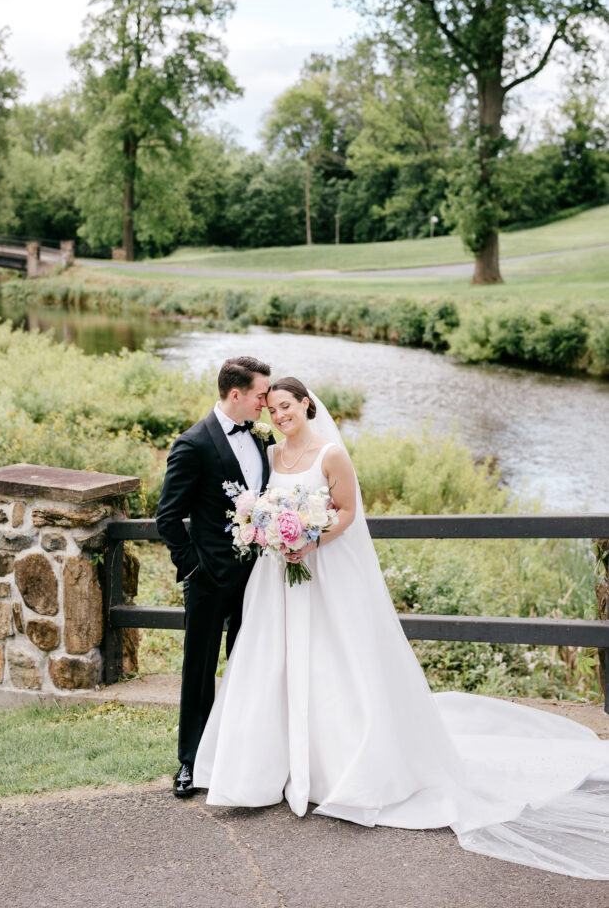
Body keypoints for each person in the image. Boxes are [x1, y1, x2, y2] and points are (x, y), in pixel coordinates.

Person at [193, 376, 609, 879]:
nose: (279, 415)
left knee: (335, 665)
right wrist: (268, 531)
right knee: (268, 665)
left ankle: (340, 771)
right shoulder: (271, 456)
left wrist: (310, 540)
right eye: (272, 409)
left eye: (287, 406)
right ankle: (262, 770)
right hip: (277, 578)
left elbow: (346, 512)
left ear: (306, 405)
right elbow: (260, 507)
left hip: (322, 572)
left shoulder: (332, 456)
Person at [156, 356, 273, 797]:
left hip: (260, 578)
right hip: (209, 581)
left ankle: (245, 757)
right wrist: (194, 567)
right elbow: (168, 518)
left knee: (250, 665)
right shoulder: (193, 444)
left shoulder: (263, 437)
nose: (267, 402)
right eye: (261, 394)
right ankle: (190, 761)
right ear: (237, 394)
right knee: (200, 670)